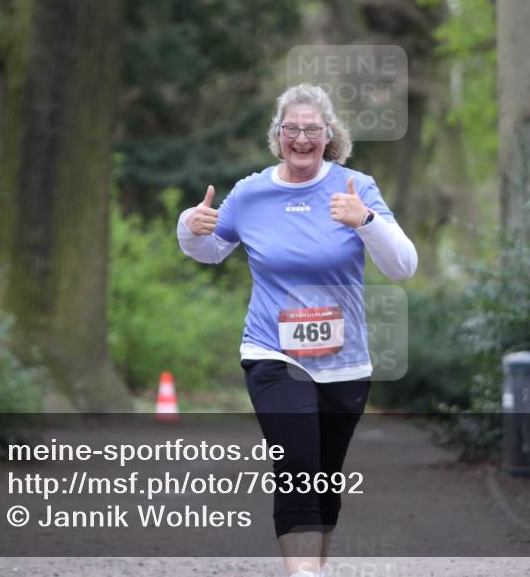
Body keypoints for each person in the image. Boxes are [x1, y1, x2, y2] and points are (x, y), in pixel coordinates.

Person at [177, 84, 417, 577]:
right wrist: (190, 225)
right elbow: (209, 251)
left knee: (325, 478)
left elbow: (403, 266)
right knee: (297, 469)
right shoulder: (251, 193)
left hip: (345, 361)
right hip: (273, 354)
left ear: (329, 135)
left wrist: (366, 220)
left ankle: (313, 571)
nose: (301, 138)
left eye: (311, 129)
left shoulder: (356, 187)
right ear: (278, 136)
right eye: (292, 129)